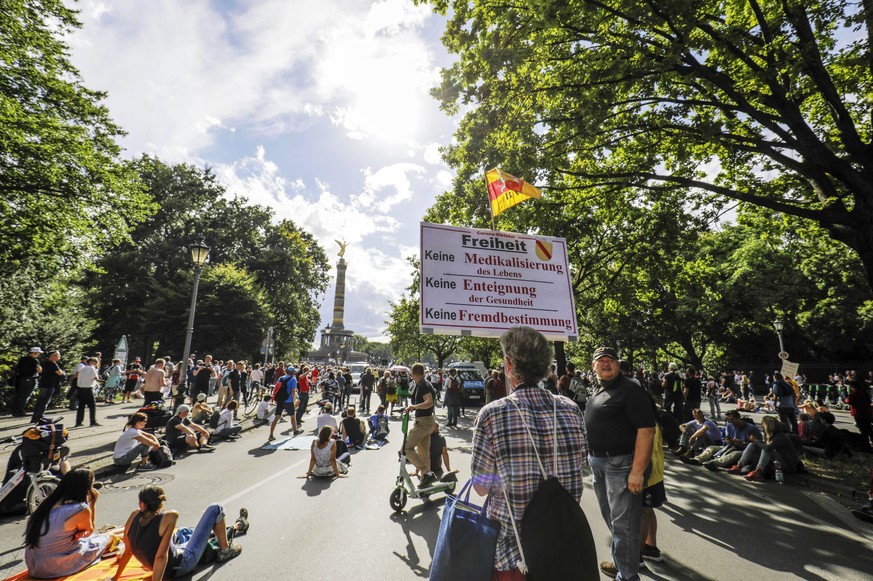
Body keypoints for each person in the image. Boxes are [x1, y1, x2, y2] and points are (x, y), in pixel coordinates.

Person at [471, 327, 588, 580]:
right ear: (546, 365)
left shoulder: (491, 414)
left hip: (516, 554)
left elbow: (480, 487)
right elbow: (581, 464)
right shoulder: (570, 409)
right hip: (564, 546)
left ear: (509, 364)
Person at [585, 346, 655, 581]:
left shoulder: (629, 390)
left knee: (624, 525)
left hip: (621, 465)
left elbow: (646, 431)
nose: (606, 363)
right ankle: (622, 564)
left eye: (610, 360)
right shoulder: (600, 389)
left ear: (618, 364)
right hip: (599, 463)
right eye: (601, 360)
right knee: (615, 522)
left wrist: (637, 472)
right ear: (593, 366)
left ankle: (627, 576)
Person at [113, 486, 242, 580]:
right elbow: (161, 557)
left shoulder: (134, 515)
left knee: (184, 531)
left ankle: (229, 531)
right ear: (160, 505)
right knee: (216, 508)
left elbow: (128, 551)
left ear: (141, 504)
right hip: (181, 564)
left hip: (170, 558)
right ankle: (225, 550)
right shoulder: (169, 518)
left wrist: (115, 578)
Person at [24, 468, 113, 578]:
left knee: (96, 537)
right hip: (54, 567)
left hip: (35, 566)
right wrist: (92, 503)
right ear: (86, 488)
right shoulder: (80, 508)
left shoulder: (47, 504)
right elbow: (90, 530)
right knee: (108, 538)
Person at [727, 415, 804, 481]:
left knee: (766, 449)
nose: (762, 428)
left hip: (788, 465)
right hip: (778, 461)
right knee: (752, 445)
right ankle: (739, 466)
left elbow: (767, 448)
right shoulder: (771, 436)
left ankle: (758, 472)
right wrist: (748, 443)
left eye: (763, 426)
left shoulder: (780, 436)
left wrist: (756, 440)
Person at [403, 363, 438, 488]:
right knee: (423, 453)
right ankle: (425, 479)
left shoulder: (423, 385)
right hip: (427, 421)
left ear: (413, 374)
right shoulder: (425, 383)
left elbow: (429, 402)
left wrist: (414, 406)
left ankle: (427, 473)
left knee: (406, 449)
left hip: (423, 422)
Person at [31, 350, 65, 423]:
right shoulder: (52, 364)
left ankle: (34, 417)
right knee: (45, 401)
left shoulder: (43, 363)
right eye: (58, 355)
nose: (59, 357)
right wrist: (62, 372)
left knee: (40, 401)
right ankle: (39, 417)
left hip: (43, 383)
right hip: (50, 384)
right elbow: (59, 373)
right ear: (53, 356)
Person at [268, 368, 300, 442]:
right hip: (288, 400)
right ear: (292, 373)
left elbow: (277, 388)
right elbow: (293, 391)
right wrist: (293, 400)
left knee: (277, 417)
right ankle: (295, 430)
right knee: (292, 415)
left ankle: (271, 434)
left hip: (280, 400)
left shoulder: (281, 378)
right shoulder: (293, 379)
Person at [12, 347, 43, 417]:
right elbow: (39, 370)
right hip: (31, 378)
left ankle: (14, 410)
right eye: (38, 353)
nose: (38, 355)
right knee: (26, 395)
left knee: (19, 394)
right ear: (34, 353)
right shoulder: (35, 360)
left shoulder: (22, 359)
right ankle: (21, 410)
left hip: (21, 378)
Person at [74, 357, 101, 427]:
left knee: (81, 406)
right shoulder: (92, 368)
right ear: (93, 362)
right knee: (92, 406)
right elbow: (96, 378)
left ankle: (78, 422)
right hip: (88, 389)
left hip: (80, 388)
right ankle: (93, 421)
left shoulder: (83, 368)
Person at [847, 379, 873, 451]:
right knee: (869, 429)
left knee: (863, 430)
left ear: (853, 387)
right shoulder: (864, 392)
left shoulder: (855, 393)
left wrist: (849, 393)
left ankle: (866, 446)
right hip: (867, 413)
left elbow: (848, 400)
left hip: (859, 413)